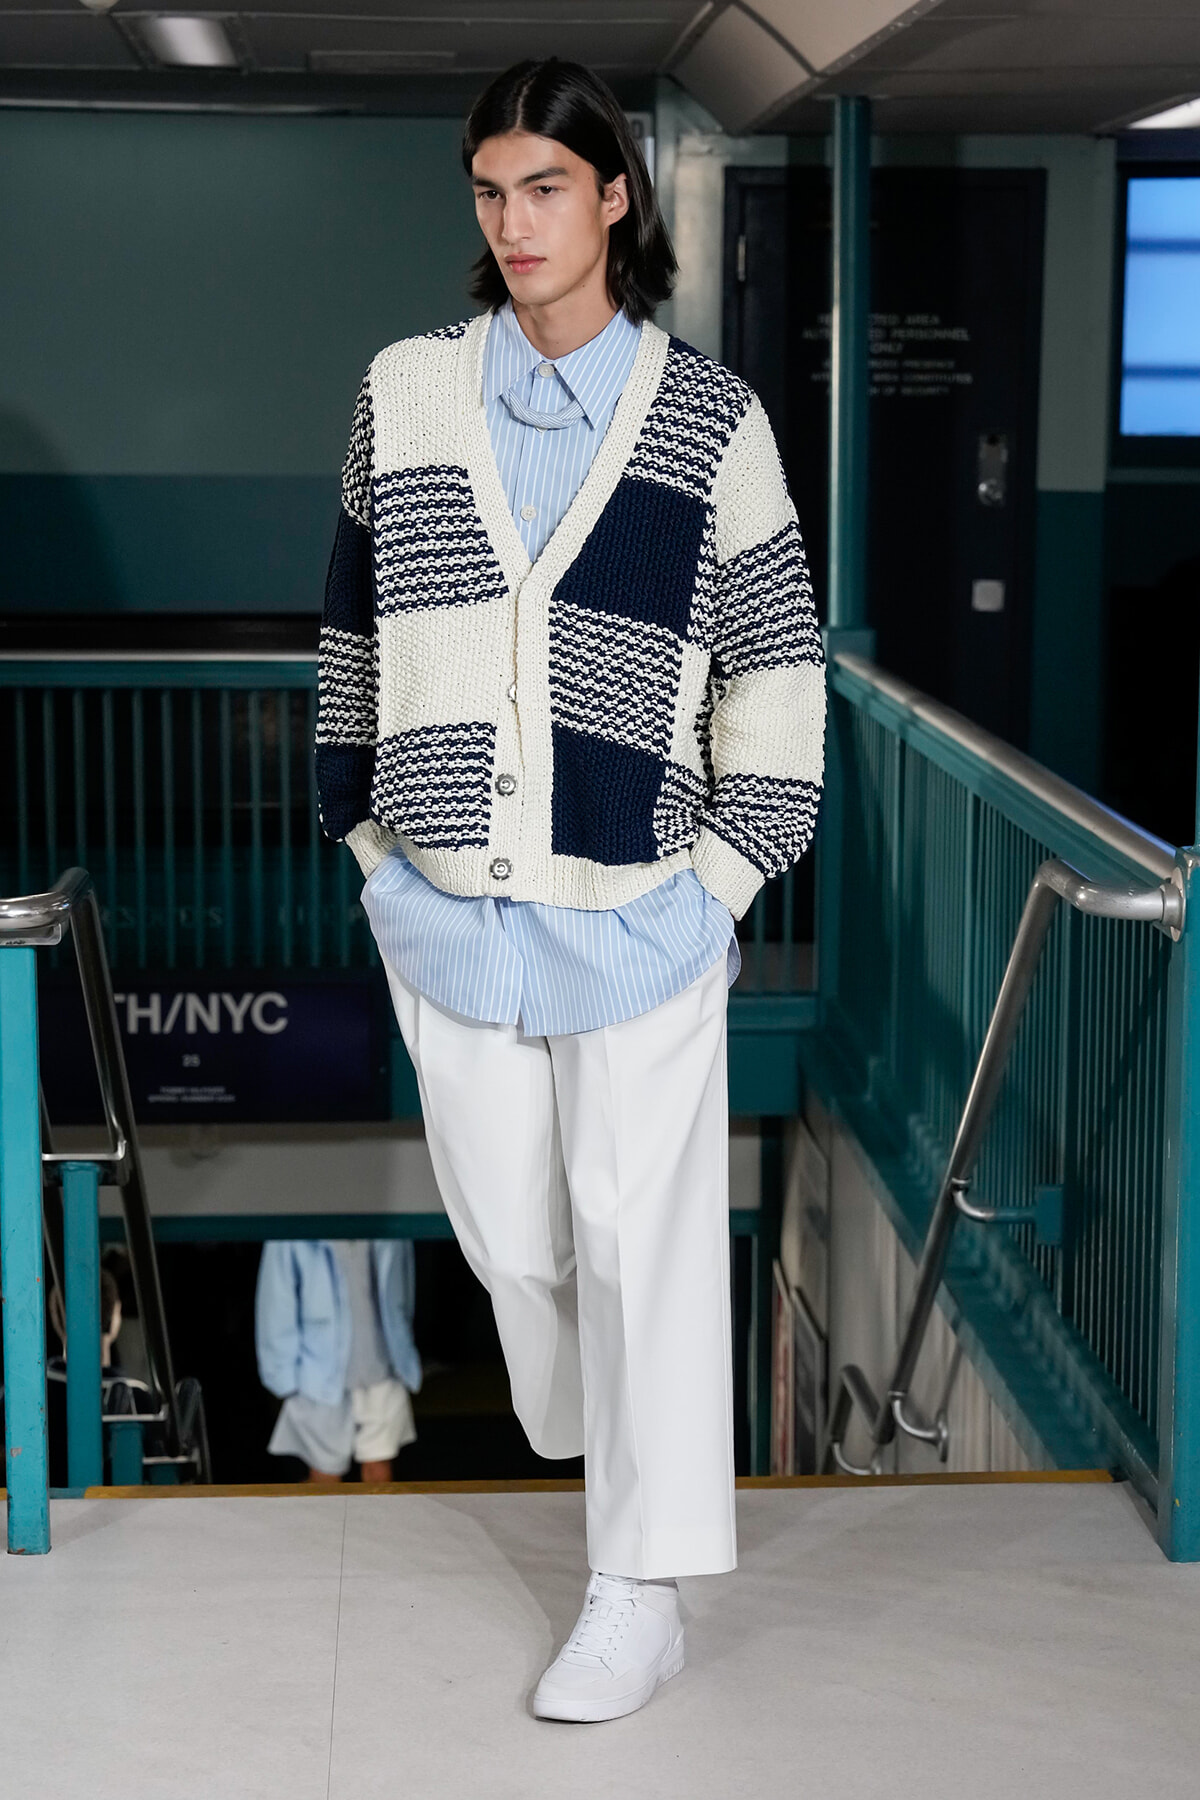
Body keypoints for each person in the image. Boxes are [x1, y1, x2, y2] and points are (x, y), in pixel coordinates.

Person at [315, 58, 825, 1720]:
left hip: (642, 906)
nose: (515, 222)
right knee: (518, 1243)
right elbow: (349, 637)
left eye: (547, 186)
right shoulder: (406, 394)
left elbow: (776, 670)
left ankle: (639, 1584)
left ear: (614, 196)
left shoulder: (710, 421)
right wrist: (367, 844)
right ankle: (593, 1429)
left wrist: (728, 878)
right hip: (449, 907)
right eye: (490, 190)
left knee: (642, 1239)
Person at [255, 1239, 421, 1483]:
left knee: (380, 1471)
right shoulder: (294, 1232)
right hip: (320, 1374)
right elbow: (276, 1301)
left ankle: (376, 1523)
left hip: (381, 1366)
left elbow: (402, 1291)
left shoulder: (388, 1227)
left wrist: (403, 1352)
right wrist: (281, 1374)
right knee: (325, 1475)